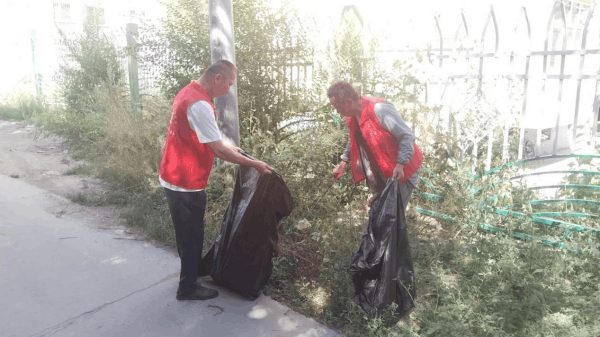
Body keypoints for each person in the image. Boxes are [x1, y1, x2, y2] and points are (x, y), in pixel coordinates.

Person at [159, 60, 273, 301]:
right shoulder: (199, 103)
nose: (229, 90)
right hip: (185, 181)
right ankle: (187, 288)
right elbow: (219, 151)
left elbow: (208, 139)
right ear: (218, 78)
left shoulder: (189, 92)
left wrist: (232, 149)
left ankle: (193, 270)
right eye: (229, 83)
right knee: (192, 235)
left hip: (174, 175)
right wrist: (255, 164)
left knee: (186, 232)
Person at [329, 81, 423, 214]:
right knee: (380, 215)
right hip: (383, 172)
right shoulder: (353, 115)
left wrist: (401, 164)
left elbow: (407, 136)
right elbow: (354, 138)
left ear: (348, 102)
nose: (337, 111)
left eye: (337, 106)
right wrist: (344, 162)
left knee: (391, 218)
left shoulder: (379, 109)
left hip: (403, 171)